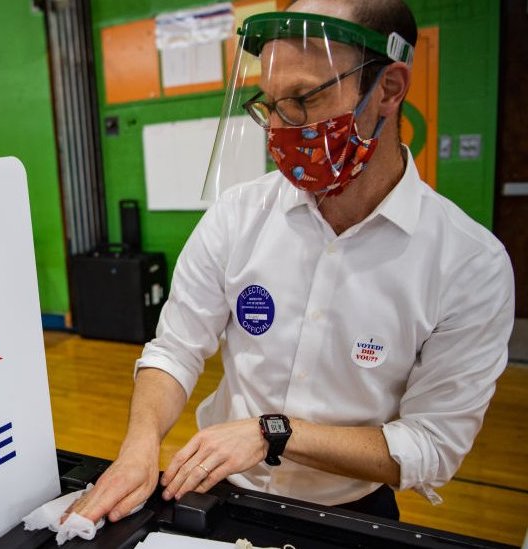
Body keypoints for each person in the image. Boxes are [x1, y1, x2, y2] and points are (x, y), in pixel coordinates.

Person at [72, 0, 514, 523]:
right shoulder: (238, 216)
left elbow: (432, 446)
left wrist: (273, 433)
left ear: (390, 89)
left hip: (350, 510)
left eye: (303, 99)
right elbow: (176, 349)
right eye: (271, 103)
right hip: (223, 489)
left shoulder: (469, 263)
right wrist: (139, 445)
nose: (281, 130)